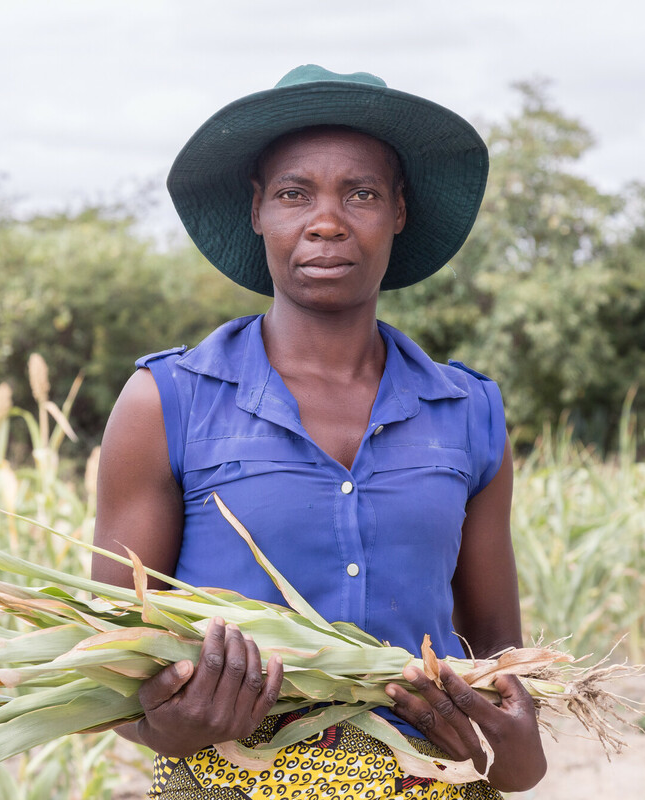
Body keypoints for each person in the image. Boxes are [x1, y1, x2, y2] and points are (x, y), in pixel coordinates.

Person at [92, 65, 546, 799]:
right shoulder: (166, 402)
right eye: (294, 193)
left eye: (360, 193)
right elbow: (110, 662)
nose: (327, 220)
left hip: (429, 784)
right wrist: (166, 726)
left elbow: (496, 650)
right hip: (229, 784)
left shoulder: (468, 411)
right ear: (257, 211)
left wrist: (519, 754)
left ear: (399, 210)